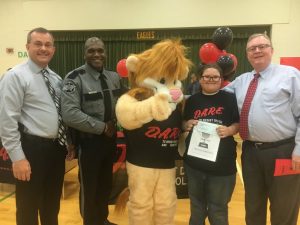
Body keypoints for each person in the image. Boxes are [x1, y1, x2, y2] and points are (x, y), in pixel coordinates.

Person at [224, 33, 300, 225]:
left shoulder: (290, 75)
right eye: (252, 48)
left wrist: (299, 151)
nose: (257, 51)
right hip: (250, 152)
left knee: (284, 208)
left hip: (284, 152)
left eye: (262, 46)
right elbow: (214, 95)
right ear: (247, 54)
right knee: (253, 207)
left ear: (271, 50)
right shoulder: (241, 81)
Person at [0, 27, 68, 225]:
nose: (43, 48)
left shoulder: (56, 78)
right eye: (38, 44)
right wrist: (18, 158)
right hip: (30, 150)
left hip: (56, 150)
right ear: (27, 46)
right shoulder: (15, 76)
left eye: (48, 45)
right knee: (28, 207)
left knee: (51, 206)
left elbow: (60, 115)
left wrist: (67, 142)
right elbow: (6, 119)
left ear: (53, 50)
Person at [61, 37, 122, 225]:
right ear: (84, 53)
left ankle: (102, 220)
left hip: (109, 142)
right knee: (90, 188)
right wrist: (102, 127)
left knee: (105, 186)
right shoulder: (74, 78)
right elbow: (70, 114)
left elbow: (123, 105)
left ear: (105, 52)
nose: (96, 54)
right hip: (89, 144)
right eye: (91, 50)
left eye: (100, 50)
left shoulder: (114, 77)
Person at [182, 63, 239, 225]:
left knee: (218, 209)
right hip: (195, 164)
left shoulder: (230, 99)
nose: (211, 80)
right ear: (200, 79)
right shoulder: (192, 100)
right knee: (197, 207)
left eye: (215, 77)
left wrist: (229, 130)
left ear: (221, 80)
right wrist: (186, 124)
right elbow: (184, 122)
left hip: (222, 165)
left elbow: (237, 123)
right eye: (207, 76)